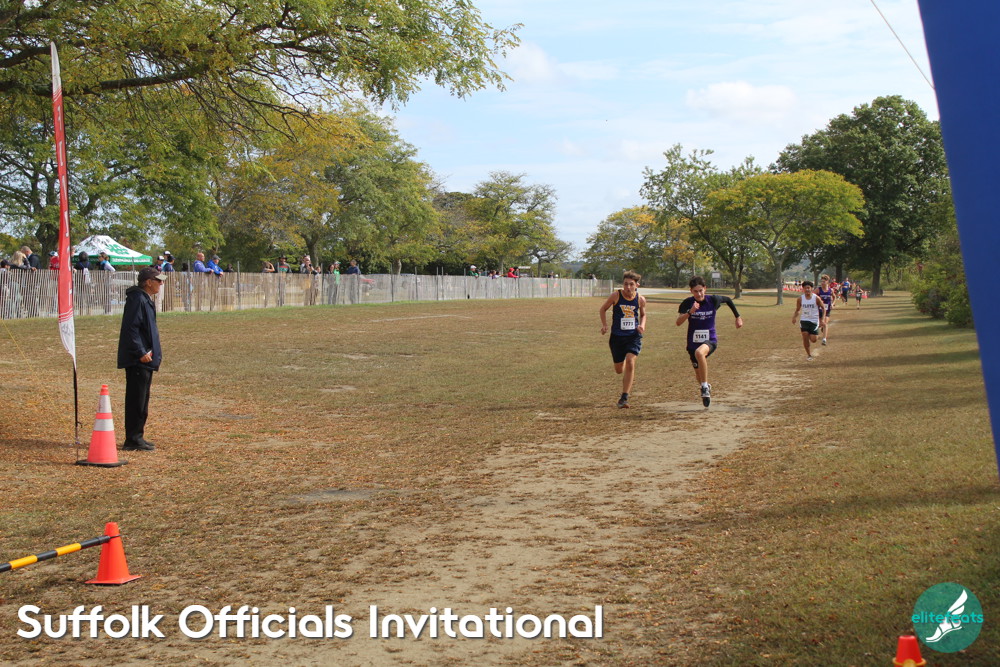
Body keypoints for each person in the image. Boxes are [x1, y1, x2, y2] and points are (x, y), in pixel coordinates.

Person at [676, 276, 744, 407]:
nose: (699, 294)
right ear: (691, 291)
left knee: (700, 353)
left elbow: (728, 300)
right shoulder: (687, 303)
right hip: (692, 342)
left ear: (705, 289)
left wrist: (738, 317)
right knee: (699, 375)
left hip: (710, 339)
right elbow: (678, 322)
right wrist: (690, 312)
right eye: (695, 291)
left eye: (701, 290)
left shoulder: (713, 300)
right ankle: (705, 385)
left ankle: (704, 387)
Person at [117, 266, 164, 451]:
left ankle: (138, 436)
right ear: (148, 282)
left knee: (142, 399)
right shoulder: (137, 299)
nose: (161, 284)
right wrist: (140, 352)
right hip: (139, 359)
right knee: (136, 400)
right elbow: (131, 329)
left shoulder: (144, 299)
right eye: (158, 280)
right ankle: (133, 439)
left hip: (146, 358)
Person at [599, 271, 647, 408]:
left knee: (631, 361)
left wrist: (642, 325)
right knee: (619, 369)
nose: (628, 287)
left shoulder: (640, 299)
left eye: (631, 284)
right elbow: (602, 309)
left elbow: (643, 315)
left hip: (633, 336)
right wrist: (604, 325)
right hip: (617, 337)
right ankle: (623, 362)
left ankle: (624, 397)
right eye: (625, 284)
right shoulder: (616, 295)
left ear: (637, 285)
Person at [792, 280, 826, 361]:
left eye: (808, 288)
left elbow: (823, 308)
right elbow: (797, 310)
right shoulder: (800, 299)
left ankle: (815, 334)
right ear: (803, 289)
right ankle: (809, 355)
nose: (807, 289)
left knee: (813, 340)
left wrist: (822, 320)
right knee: (805, 335)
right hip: (804, 320)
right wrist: (794, 317)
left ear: (811, 288)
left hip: (814, 320)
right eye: (805, 288)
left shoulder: (816, 298)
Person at [816, 274, 835, 346]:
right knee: (820, 324)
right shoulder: (818, 290)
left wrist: (832, 304)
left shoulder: (830, 290)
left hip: (827, 310)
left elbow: (834, 297)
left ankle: (824, 339)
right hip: (819, 310)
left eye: (824, 281)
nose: (822, 283)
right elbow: (812, 296)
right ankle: (821, 329)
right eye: (821, 281)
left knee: (825, 323)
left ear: (827, 282)